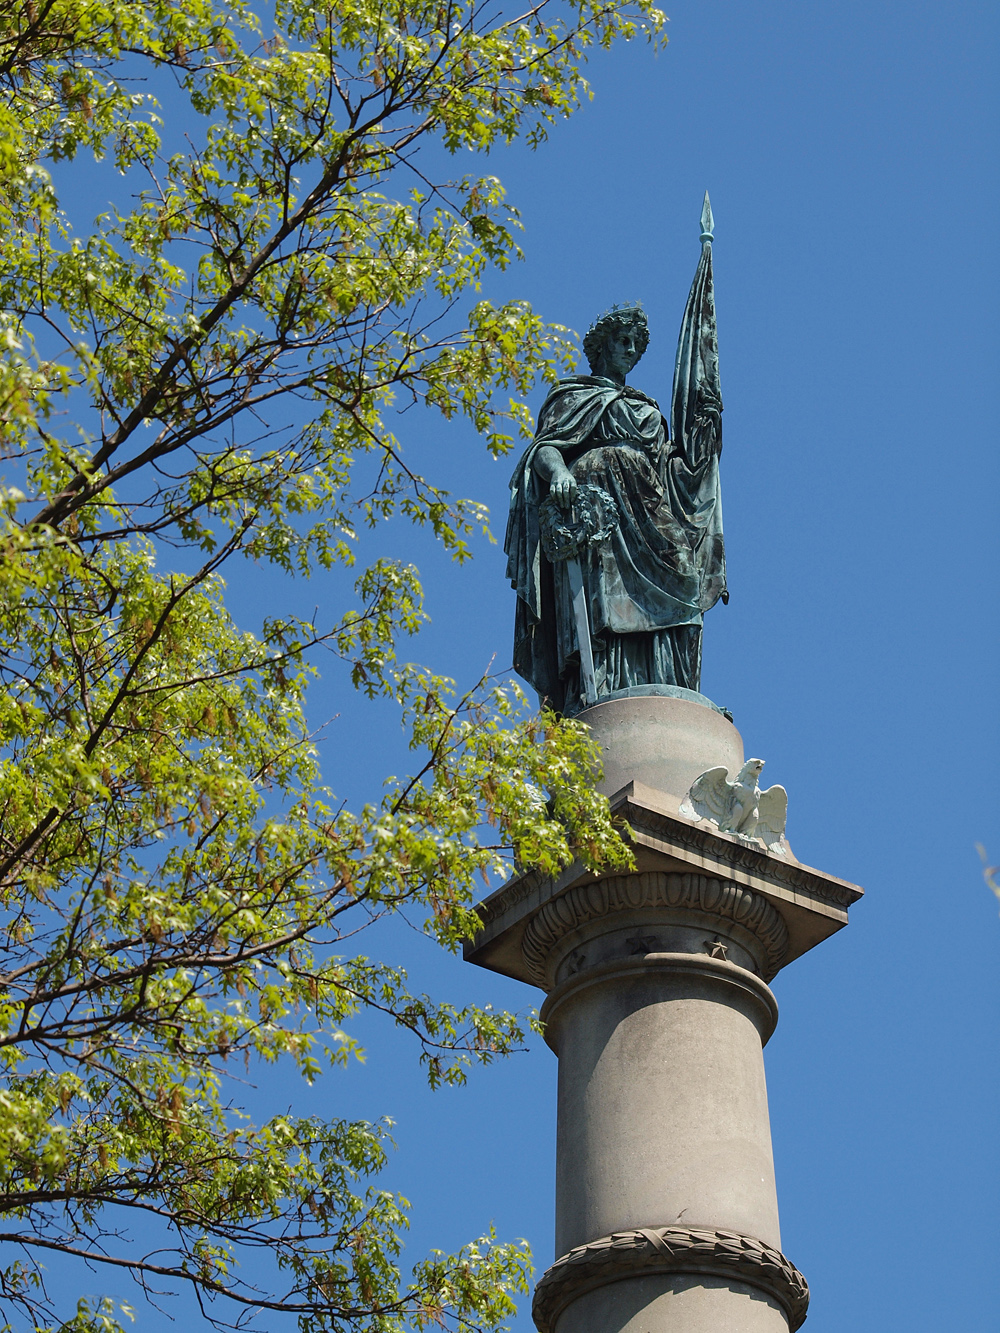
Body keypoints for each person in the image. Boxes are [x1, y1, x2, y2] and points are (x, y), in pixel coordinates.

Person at [504, 303, 726, 715]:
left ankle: (671, 684)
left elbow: (675, 471)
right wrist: (559, 475)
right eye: (622, 341)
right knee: (601, 604)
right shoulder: (572, 395)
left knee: (687, 582)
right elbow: (545, 448)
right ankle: (601, 687)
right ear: (601, 347)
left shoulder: (645, 407)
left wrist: (703, 435)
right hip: (596, 509)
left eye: (635, 344)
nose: (629, 349)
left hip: (648, 504)